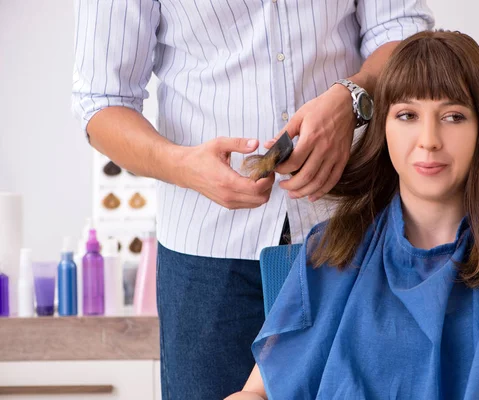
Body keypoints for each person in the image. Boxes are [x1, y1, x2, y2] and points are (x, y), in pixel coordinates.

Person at [71, 1, 435, 398]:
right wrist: (184, 165)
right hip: (206, 256)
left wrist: (352, 97)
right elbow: (101, 100)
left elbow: (403, 31)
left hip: (351, 233)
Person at [226, 30, 479, 400]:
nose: (429, 139)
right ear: (383, 128)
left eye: (453, 116)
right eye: (407, 115)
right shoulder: (332, 246)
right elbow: (255, 393)